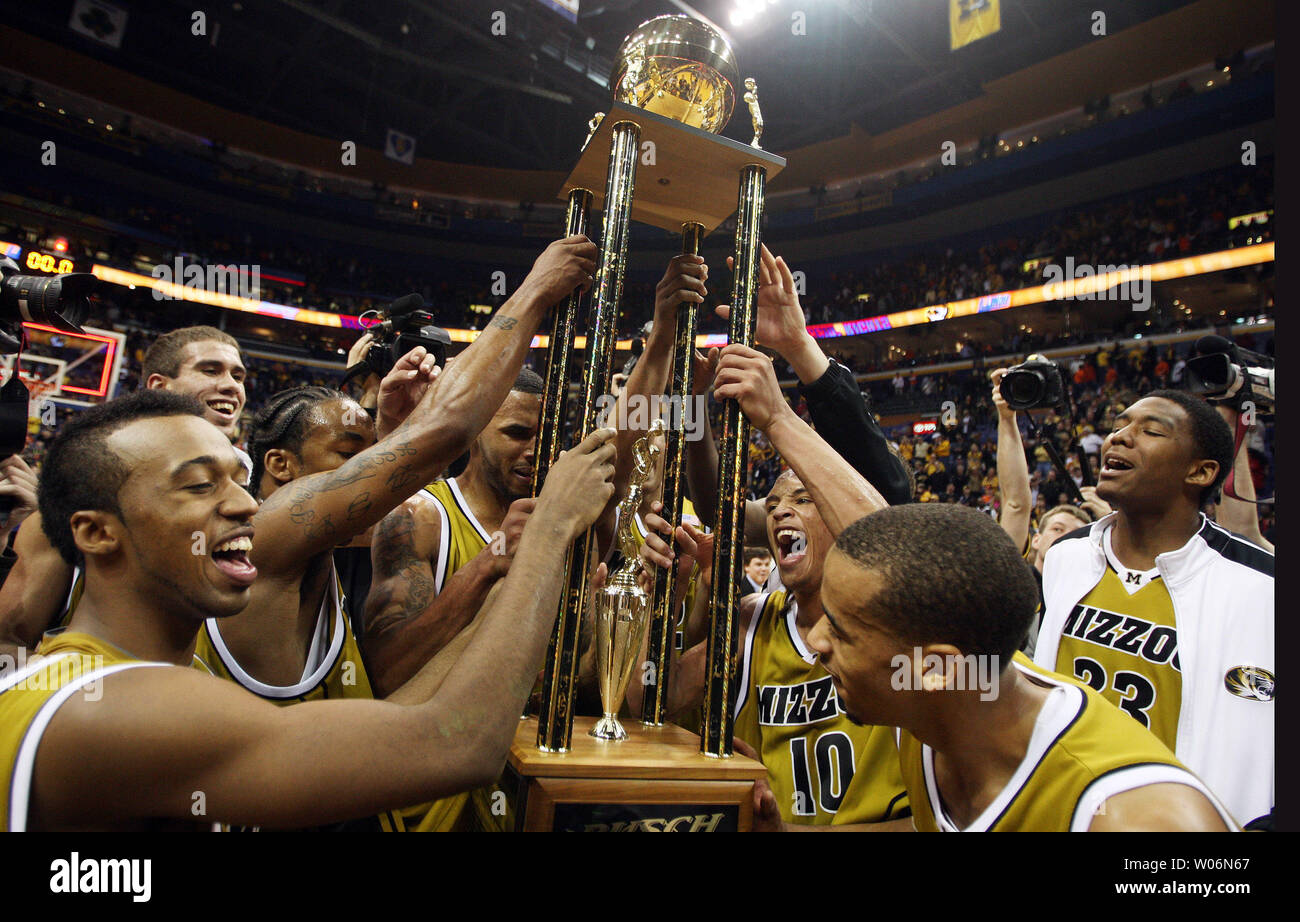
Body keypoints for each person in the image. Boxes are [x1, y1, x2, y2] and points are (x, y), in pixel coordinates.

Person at [0, 389, 616, 831]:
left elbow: (407, 717)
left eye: (236, 480)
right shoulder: (114, 706)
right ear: (96, 532)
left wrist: (512, 570)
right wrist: (549, 534)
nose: (244, 505)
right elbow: (457, 744)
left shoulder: (115, 677)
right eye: (198, 485)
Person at [811, 503, 1236, 832]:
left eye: (841, 632)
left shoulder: (1136, 818)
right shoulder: (956, 687)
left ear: (935, 668)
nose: (816, 641)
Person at [637, 344, 909, 829]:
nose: (782, 510)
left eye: (805, 497)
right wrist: (664, 599)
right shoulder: (752, 616)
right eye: (776, 501)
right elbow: (649, 700)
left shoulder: (903, 624)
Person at [1032, 391, 1273, 829]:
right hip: (1062, 811)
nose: (1119, 438)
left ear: (1200, 471)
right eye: (1120, 425)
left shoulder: (1263, 586)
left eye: (1151, 430)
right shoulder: (1067, 556)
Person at [0, 325, 250, 661]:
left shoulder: (252, 498)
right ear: (160, 386)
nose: (231, 385)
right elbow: (7, 642)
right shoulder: (85, 495)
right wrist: (90, 686)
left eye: (239, 375)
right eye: (210, 370)